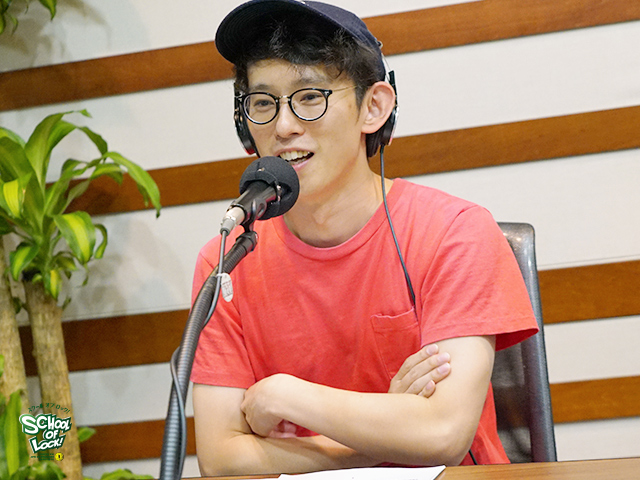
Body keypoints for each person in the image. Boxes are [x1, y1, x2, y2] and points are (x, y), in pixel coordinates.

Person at [190, 0, 538, 476]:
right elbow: (222, 460)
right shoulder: (227, 260)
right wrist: (387, 433)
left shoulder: (455, 232)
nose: (284, 126)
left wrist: (287, 396)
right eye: (264, 103)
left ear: (373, 107)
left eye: (310, 97)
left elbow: (443, 434)